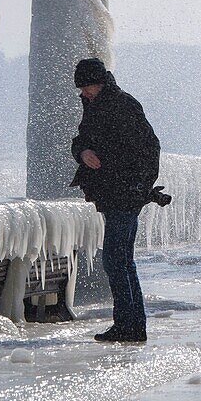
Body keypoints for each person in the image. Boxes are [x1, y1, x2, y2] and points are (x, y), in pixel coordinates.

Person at [71, 57, 164, 343]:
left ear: (98, 83)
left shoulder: (123, 105)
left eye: (86, 87)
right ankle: (133, 325)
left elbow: (150, 148)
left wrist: (139, 187)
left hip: (125, 195)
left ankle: (128, 325)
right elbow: (81, 139)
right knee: (122, 260)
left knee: (115, 260)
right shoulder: (95, 106)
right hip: (115, 194)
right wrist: (83, 152)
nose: (83, 93)